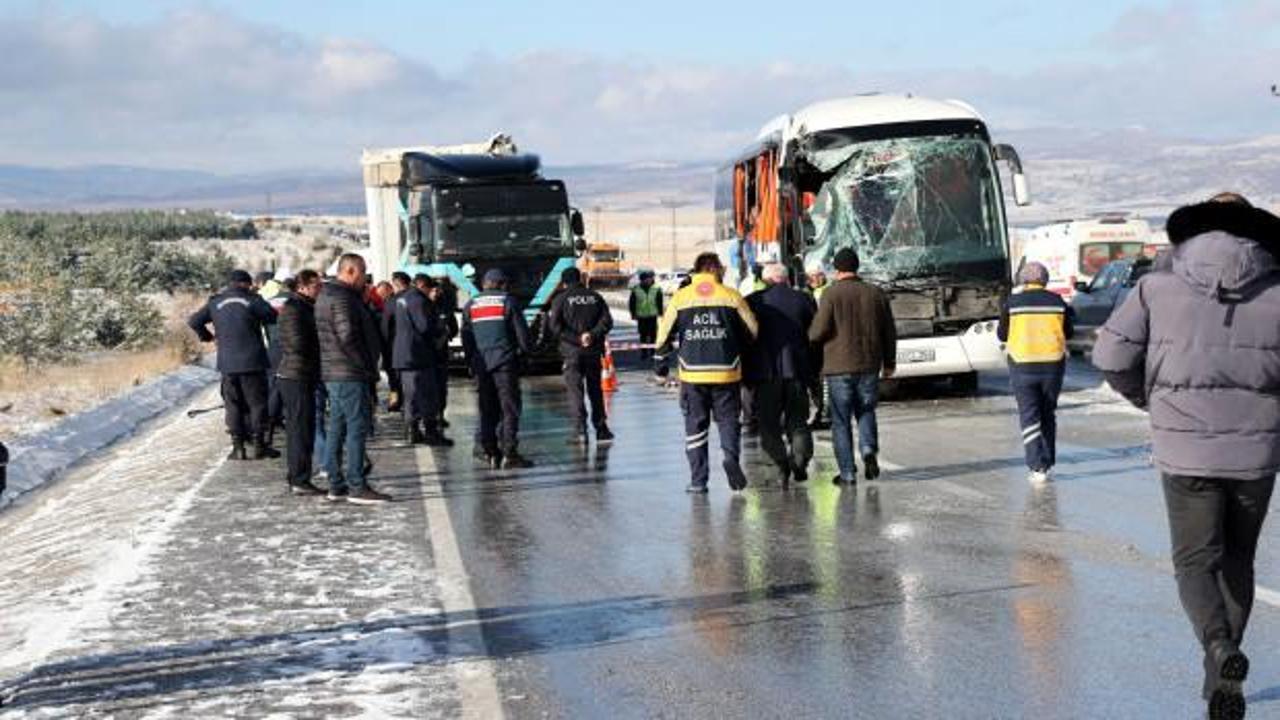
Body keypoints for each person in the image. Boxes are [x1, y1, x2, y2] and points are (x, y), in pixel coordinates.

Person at [1093, 194, 1280, 719]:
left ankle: (1219, 651)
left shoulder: (1156, 286)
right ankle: (1222, 672)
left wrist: (1151, 400)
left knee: (1195, 560)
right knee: (1238, 559)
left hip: (1184, 449)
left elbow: (1110, 356)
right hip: (1256, 451)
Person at [655, 252, 758, 494]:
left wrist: (660, 365)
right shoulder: (731, 296)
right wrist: (738, 348)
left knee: (695, 426)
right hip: (727, 372)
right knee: (728, 421)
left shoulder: (681, 298)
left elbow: (663, 336)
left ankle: (698, 481)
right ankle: (731, 457)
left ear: (698, 269)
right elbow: (752, 330)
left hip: (692, 375)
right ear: (715, 270)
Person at [808, 248, 896, 486]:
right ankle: (868, 450)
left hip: (837, 367)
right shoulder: (876, 293)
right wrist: (889, 362)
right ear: (856, 266)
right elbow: (889, 331)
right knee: (866, 411)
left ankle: (847, 473)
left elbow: (817, 332)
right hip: (869, 364)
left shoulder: (830, 294)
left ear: (837, 269)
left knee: (840, 420)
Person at [316, 254, 390, 505]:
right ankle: (357, 484)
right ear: (350, 271)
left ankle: (336, 484)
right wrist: (366, 367)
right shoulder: (343, 297)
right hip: (349, 372)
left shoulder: (327, 295)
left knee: (337, 426)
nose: (365, 279)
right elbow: (347, 336)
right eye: (362, 273)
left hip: (335, 371)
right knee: (356, 427)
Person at [187, 269, 281, 461]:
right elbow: (272, 316)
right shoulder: (252, 300)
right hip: (253, 362)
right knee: (257, 404)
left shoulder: (215, 302)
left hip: (227, 364)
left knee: (233, 405)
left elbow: (194, 321)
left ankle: (238, 448)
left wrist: (207, 337)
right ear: (246, 284)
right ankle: (259, 445)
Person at [997, 261, 1074, 484]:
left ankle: (1036, 466)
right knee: (1048, 413)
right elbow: (1068, 331)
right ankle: (1047, 461)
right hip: (1052, 365)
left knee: (1029, 415)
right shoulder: (1058, 302)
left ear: (1023, 280)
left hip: (1023, 365)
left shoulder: (1013, 304)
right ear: (1045, 280)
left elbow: (1002, 335)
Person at [748, 263, 817, 485]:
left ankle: (779, 464)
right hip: (798, 371)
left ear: (765, 280)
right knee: (798, 420)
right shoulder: (804, 299)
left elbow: (746, 338)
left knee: (768, 423)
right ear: (786, 278)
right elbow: (814, 334)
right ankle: (799, 461)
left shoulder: (753, 301)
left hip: (765, 373)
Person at [461, 269, 534, 469]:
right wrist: (528, 354)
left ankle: (490, 452)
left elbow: (466, 338)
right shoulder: (508, 302)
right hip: (504, 362)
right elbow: (522, 335)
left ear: (484, 284)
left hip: (481, 364)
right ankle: (510, 453)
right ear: (502, 284)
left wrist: (471, 362)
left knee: (487, 409)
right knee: (509, 408)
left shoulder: (471, 305)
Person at [548, 267, 615, 444]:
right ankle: (601, 429)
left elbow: (555, 327)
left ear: (564, 282)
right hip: (593, 351)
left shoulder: (560, 299)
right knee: (595, 391)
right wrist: (591, 335)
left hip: (572, 353)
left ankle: (580, 431)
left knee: (575, 392)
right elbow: (607, 321)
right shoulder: (595, 297)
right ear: (581, 279)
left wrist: (577, 338)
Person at [276, 270, 325, 496]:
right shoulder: (294, 309)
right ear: (303, 287)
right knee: (299, 429)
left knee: (305, 428)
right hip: (295, 375)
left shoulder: (304, 306)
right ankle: (298, 478)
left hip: (304, 374)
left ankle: (300, 475)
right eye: (316, 286)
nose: (320, 289)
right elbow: (296, 343)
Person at [392, 272, 452, 446]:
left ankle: (413, 431)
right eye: (430, 288)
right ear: (422, 286)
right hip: (418, 354)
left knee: (411, 395)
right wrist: (439, 329)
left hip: (405, 355)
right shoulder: (418, 299)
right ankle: (431, 433)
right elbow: (425, 327)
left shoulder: (402, 298)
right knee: (427, 394)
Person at [422, 273, 459, 429]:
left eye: (438, 290)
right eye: (433, 290)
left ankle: (440, 415)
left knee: (441, 388)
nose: (436, 293)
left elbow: (454, 328)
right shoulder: (421, 307)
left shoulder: (445, 309)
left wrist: (446, 336)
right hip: (425, 355)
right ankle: (427, 417)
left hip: (441, 355)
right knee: (427, 388)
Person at [382, 272, 412, 412]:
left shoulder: (392, 302)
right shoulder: (417, 299)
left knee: (394, 378)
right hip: (414, 348)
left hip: (394, 347)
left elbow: (386, 327)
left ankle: (395, 400)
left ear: (396, 284)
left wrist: (384, 347)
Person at [629, 270, 664, 361]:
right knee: (643, 335)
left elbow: (659, 301)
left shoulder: (656, 289)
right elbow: (632, 303)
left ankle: (653, 353)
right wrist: (633, 314)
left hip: (652, 316)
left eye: (649, 278)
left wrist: (660, 313)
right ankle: (644, 353)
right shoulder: (636, 289)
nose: (649, 280)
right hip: (642, 317)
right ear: (642, 280)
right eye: (646, 279)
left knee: (653, 335)